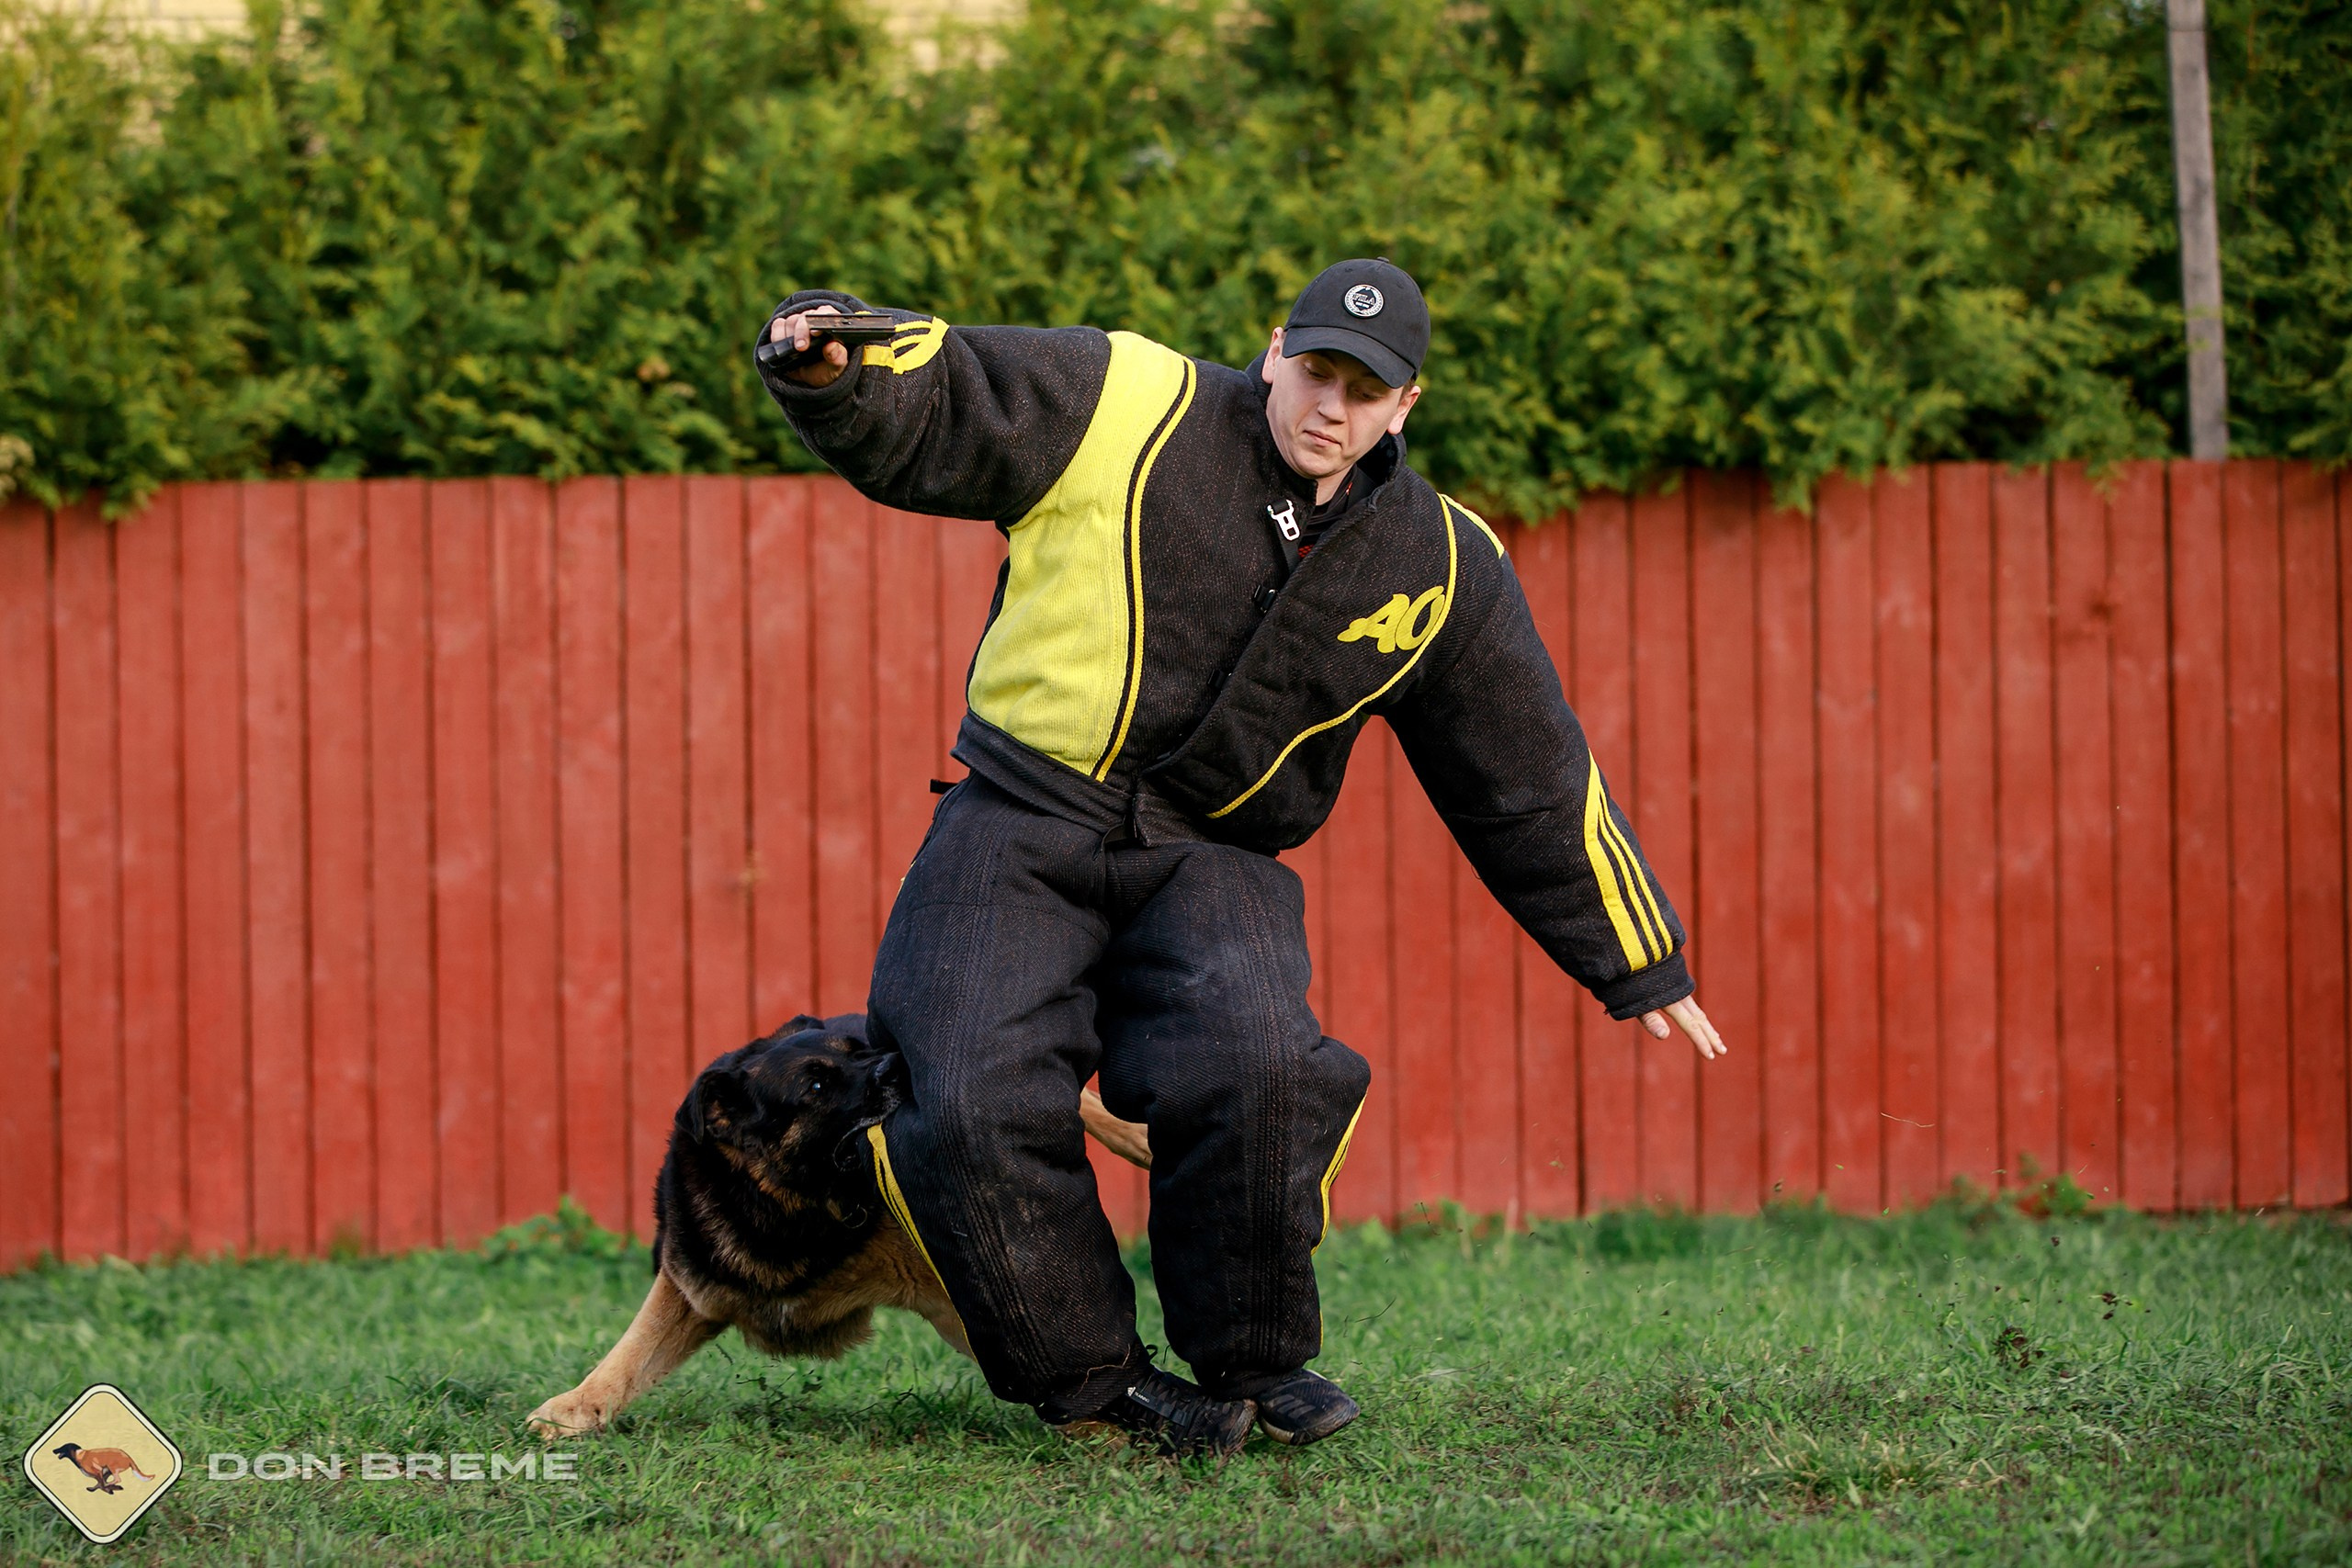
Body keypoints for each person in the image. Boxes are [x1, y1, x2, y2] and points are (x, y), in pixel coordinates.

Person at [755, 259, 1723, 1456]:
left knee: (1263, 1071)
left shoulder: (1443, 565)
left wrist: (1640, 957)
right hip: (1021, 814)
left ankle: (1258, 1361)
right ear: (1276, 350)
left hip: (1216, 853)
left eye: (1366, 392)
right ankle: (1101, 1383)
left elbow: (1527, 773)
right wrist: (835, 369)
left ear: (1405, 407)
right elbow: (952, 388)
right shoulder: (1128, 401)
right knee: (963, 1101)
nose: (1333, 407)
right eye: (1317, 371)